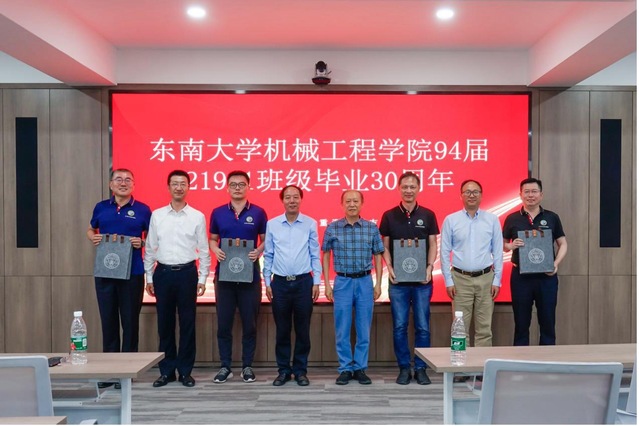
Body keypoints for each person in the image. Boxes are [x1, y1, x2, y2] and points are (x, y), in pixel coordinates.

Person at [144, 170, 211, 388]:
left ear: (188, 187)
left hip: (187, 274)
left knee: (187, 324)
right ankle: (166, 372)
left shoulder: (197, 216)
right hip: (162, 273)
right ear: (168, 187)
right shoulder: (157, 215)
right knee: (165, 324)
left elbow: (203, 250)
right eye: (175, 183)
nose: (179, 187)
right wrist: (149, 276)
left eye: (183, 183)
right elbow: (150, 247)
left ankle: (185, 372)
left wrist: (202, 278)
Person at [87, 168, 151, 388]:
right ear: (111, 184)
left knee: (130, 322)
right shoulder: (101, 207)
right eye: (118, 179)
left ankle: (127, 372)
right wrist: (93, 237)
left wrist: (142, 242)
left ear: (133, 184)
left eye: (128, 180)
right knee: (109, 321)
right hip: (105, 273)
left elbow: (152, 238)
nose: (123, 183)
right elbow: (90, 229)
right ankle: (110, 371)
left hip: (133, 273)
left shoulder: (143, 209)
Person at [379, 171, 439, 385]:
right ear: (399, 188)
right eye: (405, 186)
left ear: (419, 188)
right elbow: (385, 246)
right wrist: (390, 268)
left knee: (423, 326)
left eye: (412, 186)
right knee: (399, 326)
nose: (408, 190)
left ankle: (421, 368)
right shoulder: (389, 215)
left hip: (423, 282)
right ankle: (404, 368)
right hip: (398, 283)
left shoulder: (428, 214)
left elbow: (433, 244)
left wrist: (430, 267)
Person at [209, 171, 267, 384]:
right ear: (227, 187)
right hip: (224, 277)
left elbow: (265, 240)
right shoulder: (217, 212)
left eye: (241, 184)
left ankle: (247, 366)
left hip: (250, 276)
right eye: (233, 184)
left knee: (249, 323)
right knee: (224, 323)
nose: (237, 188)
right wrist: (215, 249)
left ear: (248, 187)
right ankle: (225, 366)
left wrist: (258, 251)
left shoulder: (259, 212)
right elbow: (212, 239)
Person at [322, 190, 384, 385]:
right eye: (348, 201)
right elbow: (325, 255)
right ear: (342, 204)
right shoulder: (332, 228)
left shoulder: (371, 228)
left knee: (363, 328)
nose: (351, 204)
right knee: (342, 328)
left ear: (362, 203)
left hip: (365, 281)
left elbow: (378, 255)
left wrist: (378, 283)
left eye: (355, 201)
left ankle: (360, 368)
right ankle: (345, 369)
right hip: (342, 282)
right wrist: (327, 284)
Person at [263, 185, 321, 387]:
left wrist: (316, 281)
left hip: (304, 283)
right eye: (288, 197)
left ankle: (300, 371)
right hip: (279, 284)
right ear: (282, 200)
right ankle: (283, 371)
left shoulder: (310, 223)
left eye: (295, 197)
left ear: (301, 199)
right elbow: (268, 254)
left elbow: (315, 254)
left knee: (303, 330)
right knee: (282, 330)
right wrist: (267, 281)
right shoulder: (272, 224)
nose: (292, 201)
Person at [503, 177, 567, 346]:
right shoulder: (512, 219)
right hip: (520, 277)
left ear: (541, 194)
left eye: (534, 191)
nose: (530, 195)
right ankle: (521, 360)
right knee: (521, 324)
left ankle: (547, 360)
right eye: (526, 192)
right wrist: (510, 245)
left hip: (546, 276)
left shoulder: (552, 217)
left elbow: (563, 244)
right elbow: (502, 245)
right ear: (520, 195)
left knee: (547, 323)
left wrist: (555, 263)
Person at [440, 179, 503, 348]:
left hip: (486, 278)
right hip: (460, 279)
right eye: (467, 192)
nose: (471, 195)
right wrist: (448, 281)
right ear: (461, 196)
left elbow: (498, 252)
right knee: (459, 328)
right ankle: (460, 362)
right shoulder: (451, 220)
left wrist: (497, 280)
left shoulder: (492, 219)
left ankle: (482, 364)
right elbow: (444, 252)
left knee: (484, 329)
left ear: (481, 195)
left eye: (475, 192)